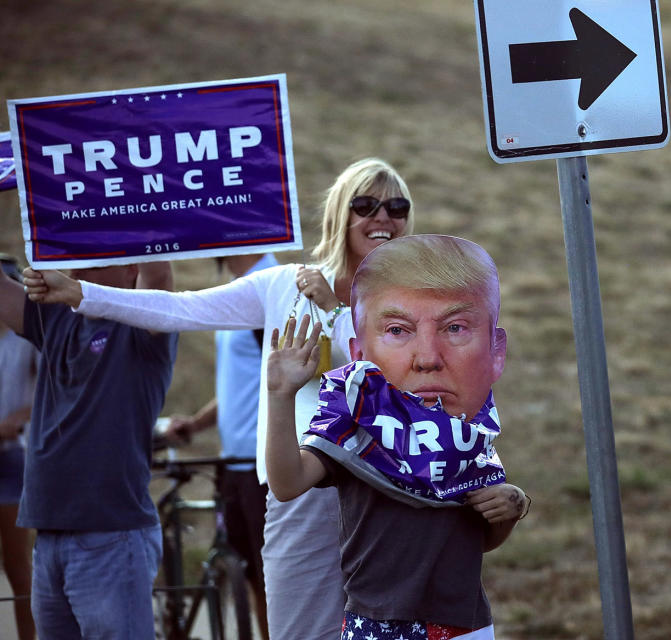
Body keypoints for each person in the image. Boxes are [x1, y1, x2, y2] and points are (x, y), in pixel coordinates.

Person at [24, 157, 415, 640]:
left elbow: (399, 387)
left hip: (391, 494)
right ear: (340, 213)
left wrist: (334, 313)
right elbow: (181, 308)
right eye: (366, 204)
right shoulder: (284, 285)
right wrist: (82, 293)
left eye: (396, 206)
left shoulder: (417, 299)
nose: (382, 217)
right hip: (304, 496)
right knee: (300, 633)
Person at [266, 235, 529, 639]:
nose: (427, 358)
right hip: (376, 624)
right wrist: (281, 397)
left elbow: (481, 538)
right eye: (398, 330)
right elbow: (286, 484)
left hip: (464, 623)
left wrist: (512, 505)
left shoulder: (467, 429)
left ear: (495, 350)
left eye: (455, 327)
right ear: (357, 352)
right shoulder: (356, 423)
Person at [0, 258, 177, 639]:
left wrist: (126, 204)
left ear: (131, 271)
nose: (81, 264)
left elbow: (159, 273)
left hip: (110, 536)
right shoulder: (59, 319)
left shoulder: (141, 325)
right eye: (79, 252)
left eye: (100, 255)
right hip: (49, 534)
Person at [163, 252, 278, 639]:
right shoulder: (240, 292)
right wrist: (196, 423)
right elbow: (244, 381)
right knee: (251, 576)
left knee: (273, 582)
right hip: (236, 464)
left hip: (264, 466)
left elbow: (289, 378)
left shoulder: (268, 290)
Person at [0, 255, 37, 640]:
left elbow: (47, 388)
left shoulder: (25, 338)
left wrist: (17, 420)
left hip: (12, 456)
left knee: (17, 565)